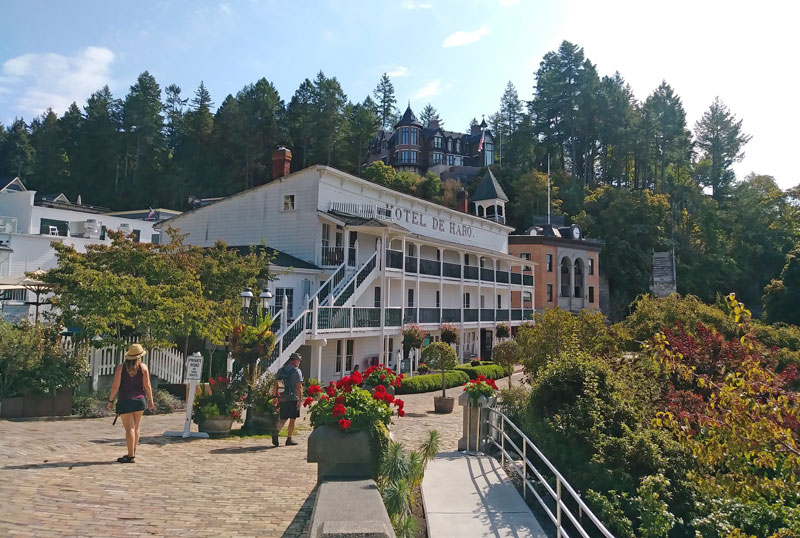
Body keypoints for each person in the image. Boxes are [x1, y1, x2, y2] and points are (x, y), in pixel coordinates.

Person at [107, 343, 154, 463]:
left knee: (129, 429)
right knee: (136, 427)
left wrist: (110, 400)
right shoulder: (143, 368)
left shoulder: (120, 368)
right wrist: (151, 399)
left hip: (125, 400)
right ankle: (132, 450)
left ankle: (130, 455)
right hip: (140, 400)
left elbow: (115, 386)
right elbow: (147, 385)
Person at [272, 353, 303, 447]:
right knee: (292, 419)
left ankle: (276, 431)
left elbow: (276, 385)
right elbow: (299, 387)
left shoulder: (281, 370)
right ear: (295, 361)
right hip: (293, 398)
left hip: (283, 397)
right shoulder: (297, 371)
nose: (299, 362)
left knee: (283, 418)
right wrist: (300, 400)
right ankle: (289, 439)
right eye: (299, 361)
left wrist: (274, 397)